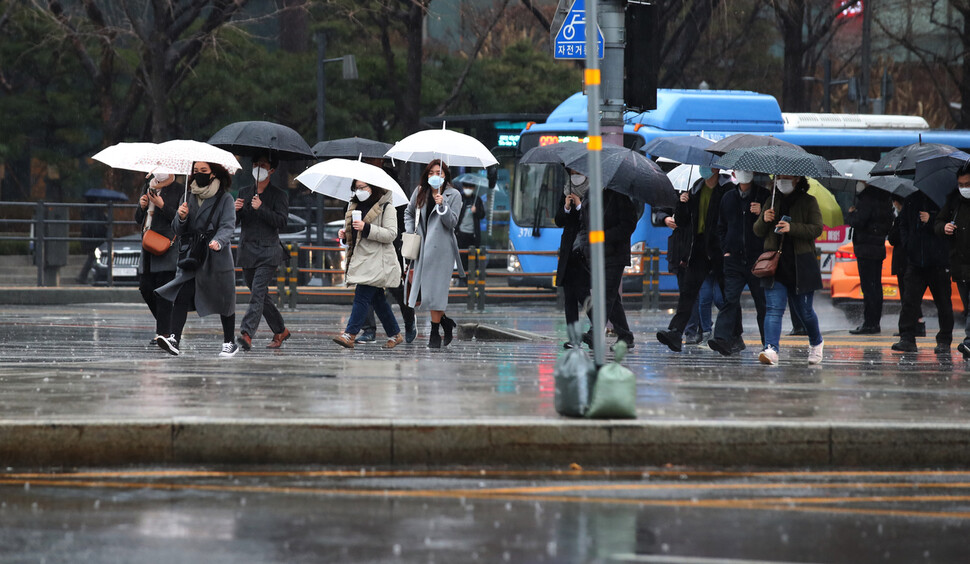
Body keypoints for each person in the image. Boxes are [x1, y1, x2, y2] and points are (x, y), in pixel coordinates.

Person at [154, 162, 238, 358]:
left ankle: (229, 342)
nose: (199, 175)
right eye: (196, 171)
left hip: (216, 256)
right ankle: (174, 338)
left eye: (204, 171)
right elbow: (177, 229)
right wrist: (181, 217)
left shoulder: (225, 198)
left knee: (224, 298)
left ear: (213, 173)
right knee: (182, 294)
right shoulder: (187, 196)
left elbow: (228, 225)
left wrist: (219, 241)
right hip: (193, 255)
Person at [753, 175, 824, 366]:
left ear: (797, 179)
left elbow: (817, 229)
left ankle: (816, 343)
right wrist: (764, 219)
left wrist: (792, 228)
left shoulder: (809, 202)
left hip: (801, 265)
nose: (781, 180)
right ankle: (771, 349)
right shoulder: (772, 200)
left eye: (786, 177)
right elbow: (758, 230)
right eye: (779, 177)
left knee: (805, 312)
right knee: (774, 309)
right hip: (775, 265)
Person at [656, 166, 728, 352]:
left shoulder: (726, 189)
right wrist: (682, 203)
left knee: (727, 296)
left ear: (716, 168)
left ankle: (733, 335)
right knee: (688, 292)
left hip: (718, 249)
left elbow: (728, 221)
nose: (704, 168)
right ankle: (676, 332)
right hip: (697, 248)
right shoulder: (696, 188)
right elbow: (682, 221)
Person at [332, 180, 405, 349]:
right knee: (378, 299)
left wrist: (367, 228)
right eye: (356, 188)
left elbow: (391, 234)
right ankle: (395, 333)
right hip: (362, 258)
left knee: (362, 295)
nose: (359, 191)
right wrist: (344, 234)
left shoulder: (387, 207)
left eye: (363, 187)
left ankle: (350, 334)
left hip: (377, 259)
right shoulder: (354, 207)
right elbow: (354, 236)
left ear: (373, 186)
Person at [354, 157, 417, 344]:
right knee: (365, 285)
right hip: (365, 246)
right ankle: (368, 329)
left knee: (395, 286)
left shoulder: (392, 183)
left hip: (389, 244)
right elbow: (349, 212)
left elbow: (399, 217)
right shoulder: (359, 185)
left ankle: (408, 318)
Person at [404, 160, 464, 348]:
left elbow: (452, 222)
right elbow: (408, 212)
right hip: (422, 247)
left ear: (445, 175)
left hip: (442, 250)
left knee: (436, 292)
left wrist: (443, 204)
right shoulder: (420, 191)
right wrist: (411, 231)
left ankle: (434, 333)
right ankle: (445, 323)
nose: (434, 176)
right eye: (431, 173)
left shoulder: (453, 195)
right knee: (427, 293)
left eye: (438, 172)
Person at [234, 152, 291, 351]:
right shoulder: (243, 191)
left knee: (257, 293)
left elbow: (282, 222)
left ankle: (247, 333)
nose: (258, 167)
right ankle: (281, 330)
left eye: (263, 165)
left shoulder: (279, 195)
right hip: (247, 251)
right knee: (261, 296)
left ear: (272, 170)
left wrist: (261, 208)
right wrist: (236, 211)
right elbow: (234, 223)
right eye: (256, 163)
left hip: (269, 251)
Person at [709, 170, 769, 356]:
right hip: (734, 259)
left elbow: (772, 225)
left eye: (748, 171)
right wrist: (726, 249)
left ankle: (768, 344)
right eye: (740, 171)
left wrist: (762, 213)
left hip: (757, 259)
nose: (745, 174)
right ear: (734, 173)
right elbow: (721, 226)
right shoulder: (728, 198)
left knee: (762, 303)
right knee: (730, 299)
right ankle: (721, 338)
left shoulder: (764, 196)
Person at [891, 190, 953, 354]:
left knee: (943, 303)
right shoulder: (912, 200)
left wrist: (931, 219)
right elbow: (903, 224)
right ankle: (907, 337)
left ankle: (944, 340)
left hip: (939, 262)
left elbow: (952, 226)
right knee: (909, 301)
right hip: (916, 262)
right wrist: (908, 245)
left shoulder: (945, 200)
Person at [134, 172, 181, 346]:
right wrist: (141, 206)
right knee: (145, 288)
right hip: (148, 244)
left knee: (163, 291)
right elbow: (138, 219)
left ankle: (163, 333)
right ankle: (167, 325)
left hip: (166, 245)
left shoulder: (178, 190)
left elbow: (180, 219)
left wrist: (161, 205)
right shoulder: (148, 185)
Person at [846, 181, 894, 334]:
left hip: (865, 248)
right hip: (878, 247)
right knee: (876, 287)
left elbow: (858, 222)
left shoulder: (866, 200)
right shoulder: (885, 200)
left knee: (868, 287)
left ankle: (869, 323)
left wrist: (852, 213)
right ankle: (875, 322)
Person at [555, 169, 592, 347]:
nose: (575, 172)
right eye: (572, 169)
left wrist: (579, 206)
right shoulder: (566, 190)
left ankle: (597, 327)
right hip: (569, 250)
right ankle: (573, 338)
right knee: (569, 295)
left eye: (579, 169)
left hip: (584, 251)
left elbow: (591, 220)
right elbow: (559, 220)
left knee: (583, 294)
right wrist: (566, 207)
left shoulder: (592, 191)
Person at [938, 163, 970, 358]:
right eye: (961, 184)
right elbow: (939, 223)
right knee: (967, 307)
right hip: (960, 264)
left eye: (967, 183)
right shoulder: (954, 202)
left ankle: (968, 341)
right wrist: (944, 228)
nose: (964, 188)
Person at [887, 196, 925, 338]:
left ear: (897, 202)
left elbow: (892, 238)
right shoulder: (915, 215)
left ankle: (913, 326)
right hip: (911, 259)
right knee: (911, 294)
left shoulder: (902, 218)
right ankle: (918, 323)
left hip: (903, 261)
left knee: (907, 295)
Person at [455, 179, 486, 282]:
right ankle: (462, 280)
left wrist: (476, 211)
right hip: (461, 234)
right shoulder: (460, 198)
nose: (468, 189)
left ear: (474, 188)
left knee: (472, 259)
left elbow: (482, 215)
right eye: (466, 187)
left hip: (473, 235)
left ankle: (471, 280)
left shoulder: (477, 200)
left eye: (470, 187)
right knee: (462, 257)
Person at [76, 199, 108, 284]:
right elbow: (97, 227)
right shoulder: (96, 212)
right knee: (93, 257)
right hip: (95, 238)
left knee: (92, 257)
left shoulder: (88, 211)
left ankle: (83, 276)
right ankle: (83, 276)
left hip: (89, 237)